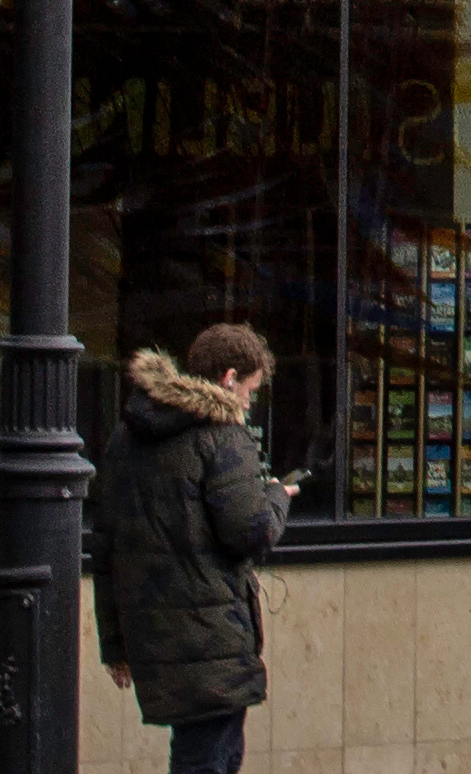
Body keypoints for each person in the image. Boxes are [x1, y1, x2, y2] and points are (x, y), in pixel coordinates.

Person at [93, 322, 294, 774]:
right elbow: (252, 533)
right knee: (210, 759)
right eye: (250, 390)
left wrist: (115, 643)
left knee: (196, 754)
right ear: (228, 378)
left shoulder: (126, 438)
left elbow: (105, 547)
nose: (248, 402)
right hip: (211, 636)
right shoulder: (222, 437)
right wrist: (278, 497)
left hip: (153, 634)